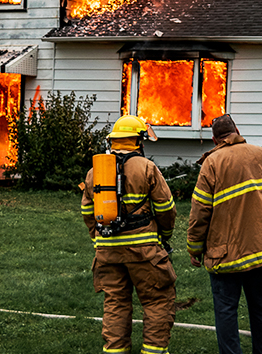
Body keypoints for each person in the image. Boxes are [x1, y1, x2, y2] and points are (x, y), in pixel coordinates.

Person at [187, 114, 262, 354]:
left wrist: (194, 247)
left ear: (215, 140)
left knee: (226, 310)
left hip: (225, 254)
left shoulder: (213, 162)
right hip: (261, 247)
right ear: (237, 132)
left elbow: (200, 211)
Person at [80, 116, 176, 354]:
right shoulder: (146, 168)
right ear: (138, 141)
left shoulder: (95, 172)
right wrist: (164, 235)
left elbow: (86, 210)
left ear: (113, 141)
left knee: (115, 302)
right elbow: (166, 208)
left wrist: (97, 239)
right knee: (156, 299)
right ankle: (153, 351)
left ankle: (115, 350)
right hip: (144, 250)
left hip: (107, 251)